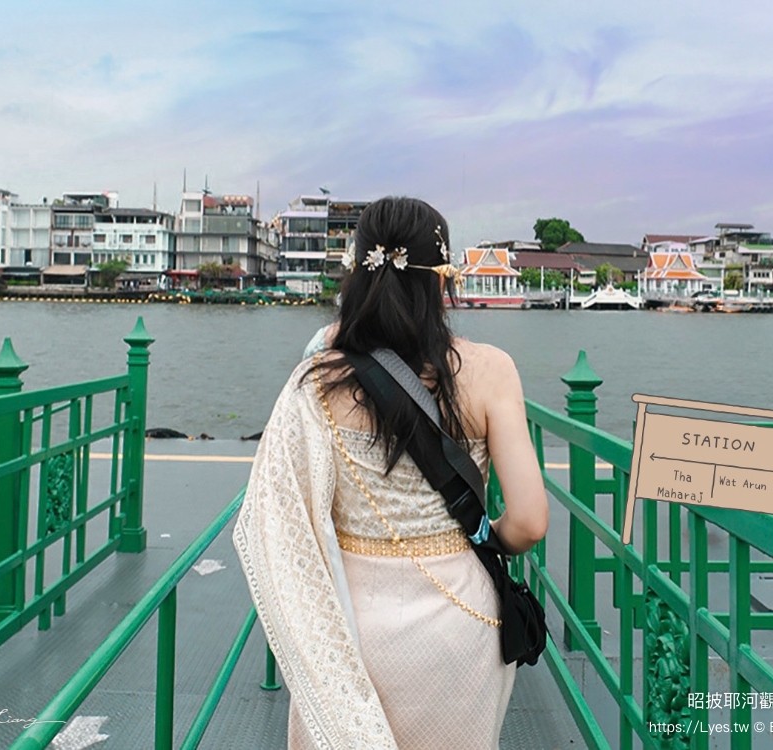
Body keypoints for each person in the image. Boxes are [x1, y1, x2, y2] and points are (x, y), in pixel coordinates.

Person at [233, 197, 549, 749]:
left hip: (349, 630)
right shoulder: (491, 370)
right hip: (460, 620)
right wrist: (482, 534)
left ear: (357, 272)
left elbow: (274, 516)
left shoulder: (318, 378)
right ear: (441, 280)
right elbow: (528, 523)